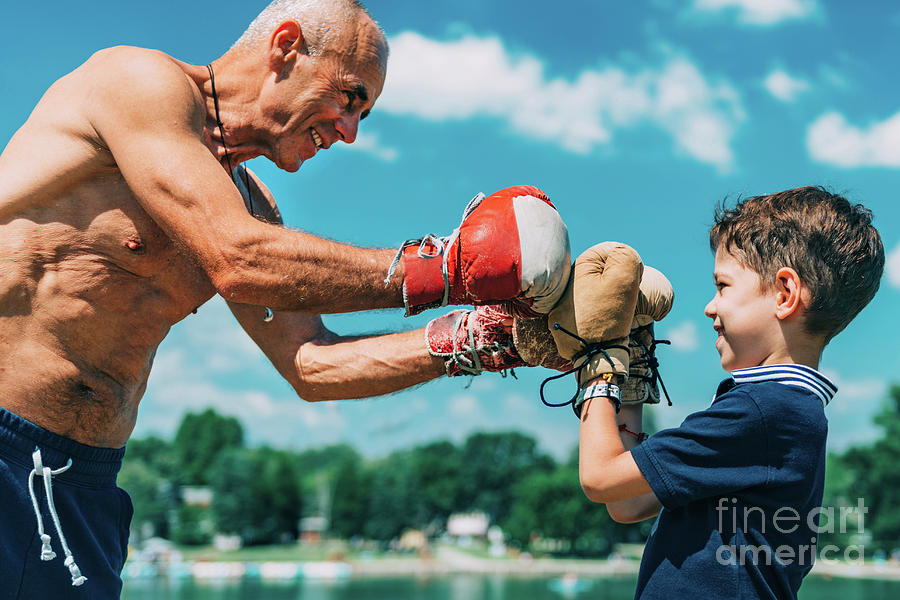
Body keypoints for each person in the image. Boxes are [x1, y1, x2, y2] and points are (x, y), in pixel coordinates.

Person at [0, 0, 573, 596]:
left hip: (83, 485)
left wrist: (484, 340)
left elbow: (312, 365)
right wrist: (447, 268)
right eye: (350, 97)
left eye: (364, 115)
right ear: (287, 47)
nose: (349, 132)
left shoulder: (252, 209)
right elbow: (237, 259)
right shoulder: (138, 82)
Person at [573, 187, 884, 599]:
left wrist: (599, 367)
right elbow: (625, 502)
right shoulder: (783, 412)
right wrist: (630, 374)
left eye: (723, 286)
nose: (710, 307)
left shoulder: (762, 412)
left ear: (785, 294)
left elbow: (598, 478)